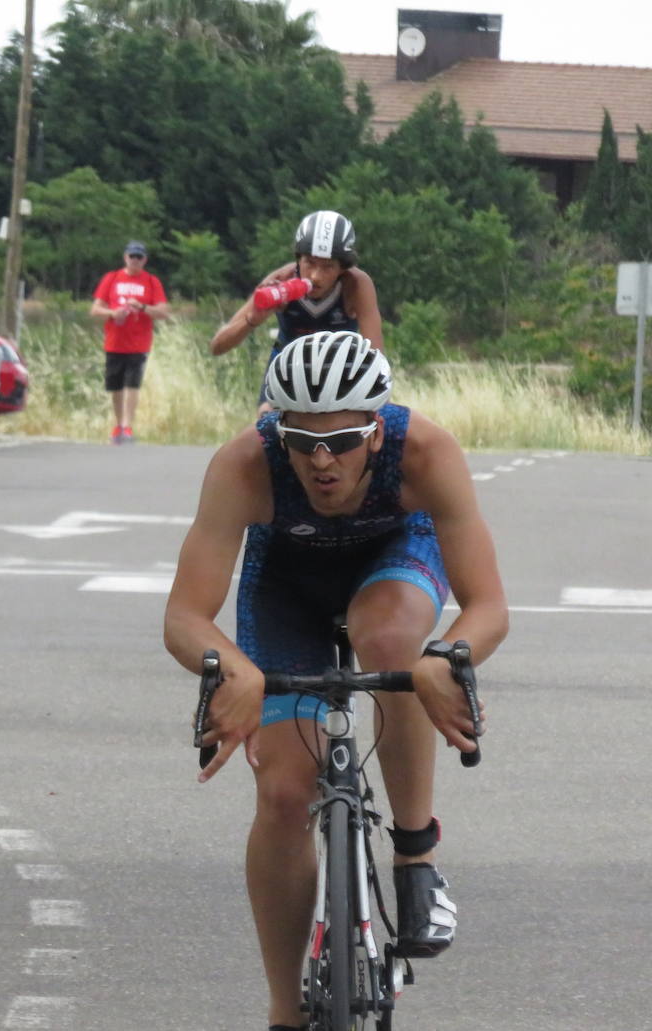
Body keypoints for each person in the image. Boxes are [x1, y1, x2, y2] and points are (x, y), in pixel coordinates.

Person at [163, 331, 508, 1031]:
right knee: (285, 793)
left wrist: (448, 656)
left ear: (376, 431)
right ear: (276, 429)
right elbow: (184, 615)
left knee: (393, 643)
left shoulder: (426, 454)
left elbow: (489, 604)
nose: (322, 460)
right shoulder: (246, 465)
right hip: (286, 583)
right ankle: (285, 1011)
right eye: (301, 439)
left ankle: (415, 855)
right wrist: (234, 670)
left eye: (345, 439)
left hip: (393, 561)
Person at [209, 210, 383, 414]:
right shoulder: (281, 280)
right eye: (309, 262)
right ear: (298, 258)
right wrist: (252, 319)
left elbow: (375, 354)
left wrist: (372, 400)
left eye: (328, 267)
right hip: (289, 366)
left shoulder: (355, 285)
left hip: (340, 367)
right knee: (267, 416)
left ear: (342, 269)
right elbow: (217, 347)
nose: (316, 276)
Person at [89, 240, 169, 444]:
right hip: (115, 341)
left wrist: (142, 307)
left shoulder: (151, 281)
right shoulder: (112, 278)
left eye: (139, 257)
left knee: (132, 384)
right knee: (115, 385)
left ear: (145, 260)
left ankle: (127, 426)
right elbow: (95, 309)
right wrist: (112, 313)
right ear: (125, 257)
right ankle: (118, 424)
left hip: (139, 342)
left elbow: (163, 312)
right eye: (132, 256)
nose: (135, 260)